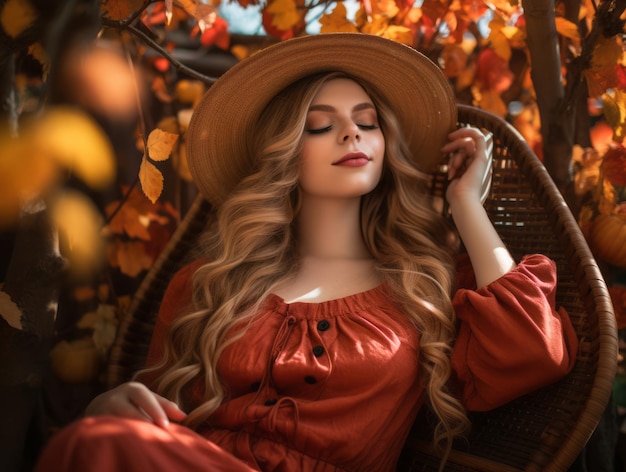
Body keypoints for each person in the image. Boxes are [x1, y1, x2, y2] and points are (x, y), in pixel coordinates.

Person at [35, 33, 578, 472]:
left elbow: (534, 350)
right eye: (320, 125)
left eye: (367, 123)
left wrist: (464, 203)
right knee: (95, 441)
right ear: (283, 153)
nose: (350, 134)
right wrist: (109, 408)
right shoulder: (211, 284)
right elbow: (155, 416)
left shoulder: (424, 287)